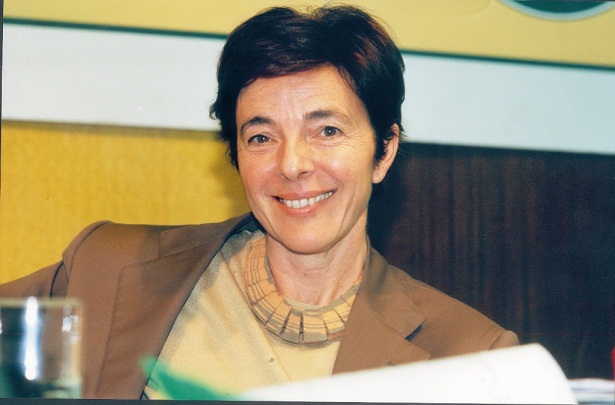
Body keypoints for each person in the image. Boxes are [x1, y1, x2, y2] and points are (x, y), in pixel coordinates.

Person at [0, 5, 518, 399]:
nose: (292, 164)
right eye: (261, 137)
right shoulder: (110, 269)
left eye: (327, 131)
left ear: (384, 152)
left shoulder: (471, 358)